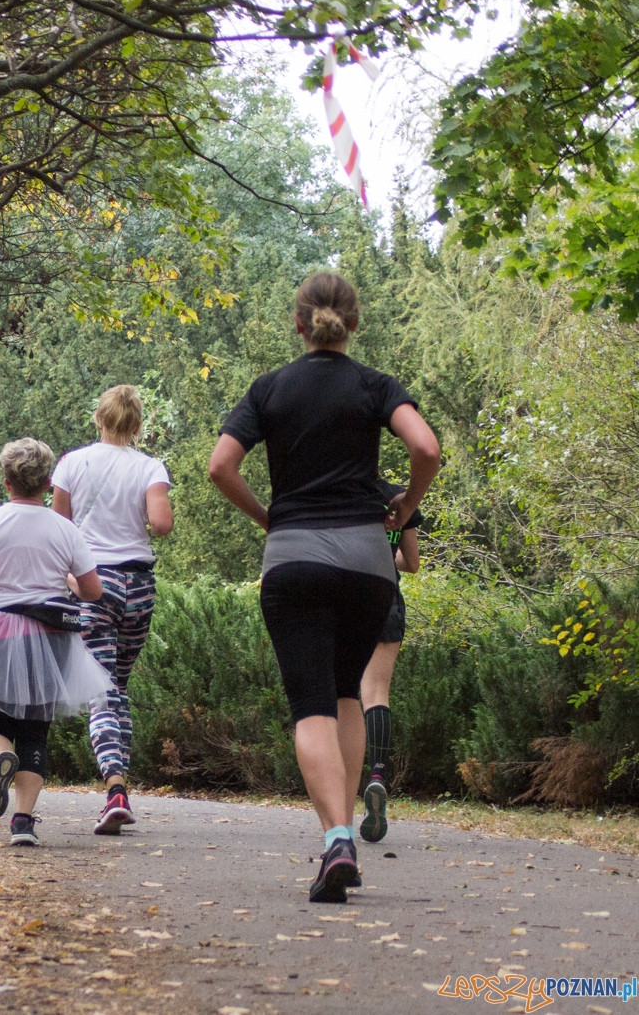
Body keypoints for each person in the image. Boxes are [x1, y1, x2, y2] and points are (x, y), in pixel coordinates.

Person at [207, 272, 439, 903]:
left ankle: (336, 838)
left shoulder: (269, 388)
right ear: (353, 324)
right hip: (368, 564)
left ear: (298, 323)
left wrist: (268, 517)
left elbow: (220, 466)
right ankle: (347, 831)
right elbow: (426, 447)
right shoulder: (375, 385)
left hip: (295, 558)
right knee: (346, 695)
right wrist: (405, 506)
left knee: (311, 704)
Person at [0, 438, 111, 846]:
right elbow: (93, 591)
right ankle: (22, 823)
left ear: (6, 482)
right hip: (51, 639)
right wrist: (66, 580)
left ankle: (1, 759)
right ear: (48, 482)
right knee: (36, 731)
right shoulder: (65, 528)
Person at [52, 385, 173, 836]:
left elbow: (59, 530)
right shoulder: (149, 467)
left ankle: (115, 788)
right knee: (118, 685)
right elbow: (161, 524)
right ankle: (120, 783)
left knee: (102, 689)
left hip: (91, 584)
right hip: (138, 585)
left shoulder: (71, 463)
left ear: (98, 418)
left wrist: (68, 577)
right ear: (137, 424)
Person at [358, 480, 423, 842]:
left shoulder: (343, 489)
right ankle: (378, 775)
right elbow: (411, 563)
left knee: (343, 698)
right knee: (377, 693)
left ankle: (340, 801)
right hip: (386, 594)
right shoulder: (397, 497)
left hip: (346, 597)